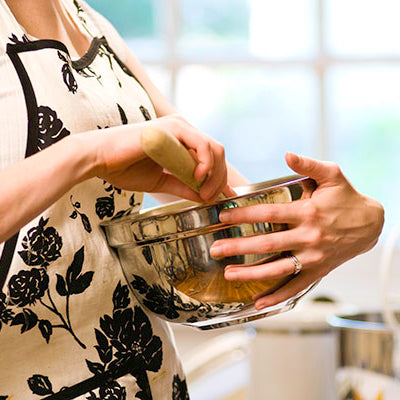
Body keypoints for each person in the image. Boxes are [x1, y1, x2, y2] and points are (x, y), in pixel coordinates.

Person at [0, 0, 384, 399]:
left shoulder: (88, 20)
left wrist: (363, 220)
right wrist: (86, 154)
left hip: (150, 379)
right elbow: (99, 149)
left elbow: (228, 202)